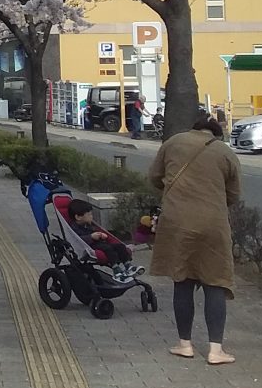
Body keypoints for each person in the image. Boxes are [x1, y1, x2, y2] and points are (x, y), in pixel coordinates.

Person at [147, 116, 242, 365]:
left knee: (183, 280)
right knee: (215, 282)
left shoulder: (173, 143)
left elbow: (155, 177)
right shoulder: (224, 151)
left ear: (195, 129)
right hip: (213, 224)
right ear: (215, 134)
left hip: (177, 222)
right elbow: (234, 194)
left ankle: (185, 345)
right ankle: (215, 350)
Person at [65, 199, 142, 280]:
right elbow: (76, 239)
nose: (91, 216)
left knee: (120, 246)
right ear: (78, 217)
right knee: (108, 248)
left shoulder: (87, 224)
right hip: (89, 246)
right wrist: (91, 237)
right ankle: (116, 269)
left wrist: (101, 235)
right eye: (89, 214)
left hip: (99, 242)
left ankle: (128, 265)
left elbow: (96, 231)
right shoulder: (73, 228)